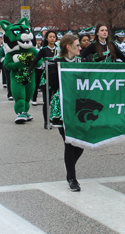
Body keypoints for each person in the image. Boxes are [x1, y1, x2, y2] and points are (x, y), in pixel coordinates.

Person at [47, 35, 85, 191]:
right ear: (68, 47)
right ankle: (72, 178)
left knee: (81, 143)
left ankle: (69, 168)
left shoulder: (81, 63)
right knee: (70, 141)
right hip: (62, 105)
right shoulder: (55, 63)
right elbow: (52, 86)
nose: (80, 48)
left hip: (78, 106)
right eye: (77, 45)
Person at [29, 31, 59, 129]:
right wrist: (29, 70)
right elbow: (35, 61)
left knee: (56, 99)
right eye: (50, 37)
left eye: (54, 37)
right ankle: (46, 121)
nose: (52, 39)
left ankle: (55, 118)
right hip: (47, 78)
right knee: (47, 100)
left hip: (57, 78)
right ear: (46, 38)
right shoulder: (43, 50)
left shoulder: (58, 50)